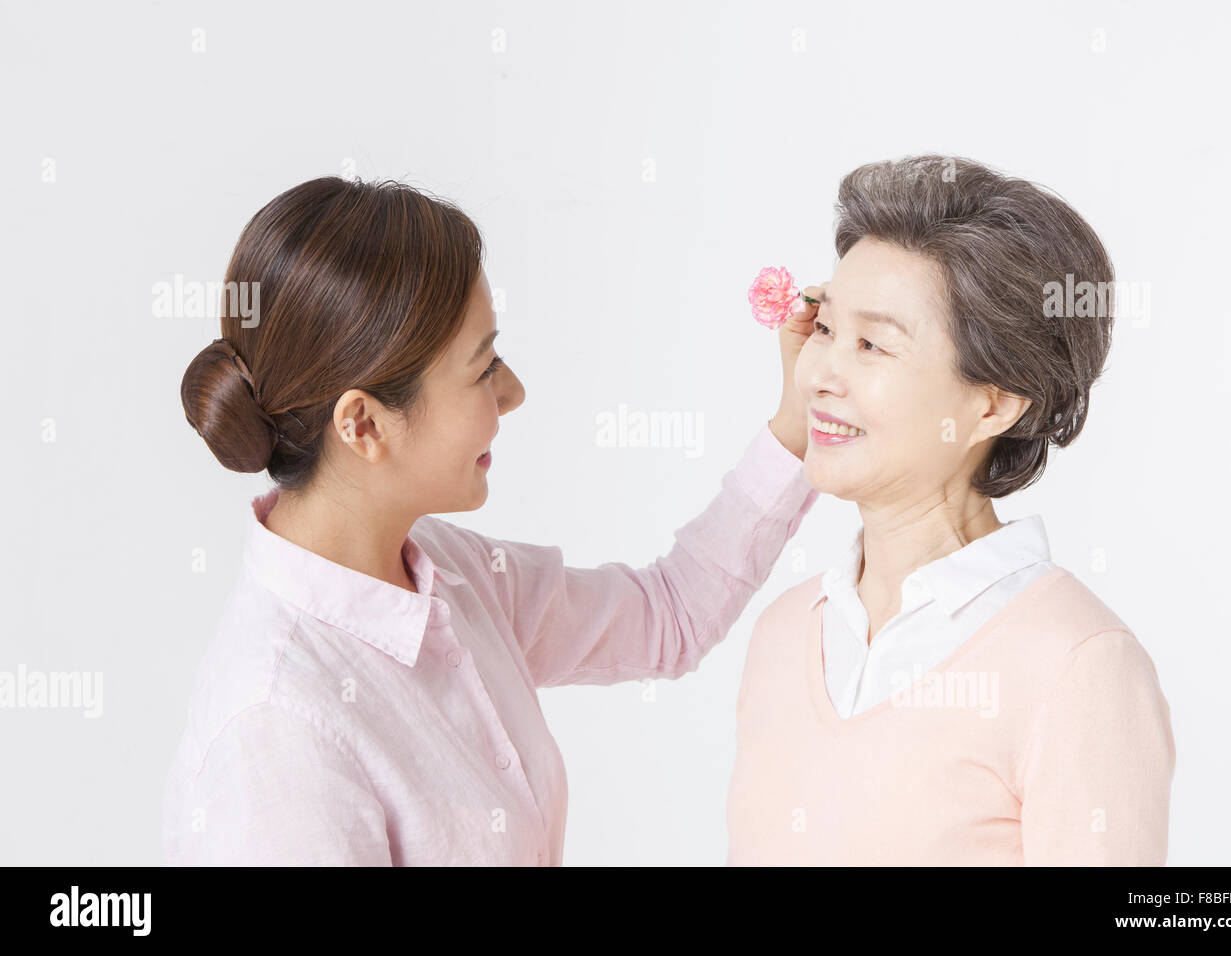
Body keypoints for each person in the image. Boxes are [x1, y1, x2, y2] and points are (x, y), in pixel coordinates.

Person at [163, 175, 821, 865]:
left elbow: (667, 616)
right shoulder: (276, 727)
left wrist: (796, 429)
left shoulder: (449, 572)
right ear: (363, 424)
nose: (513, 393)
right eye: (484, 368)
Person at [726, 155, 1176, 865]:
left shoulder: (1079, 666)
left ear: (994, 403)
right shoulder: (785, 635)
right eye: (824, 330)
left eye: (872, 343)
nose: (818, 376)